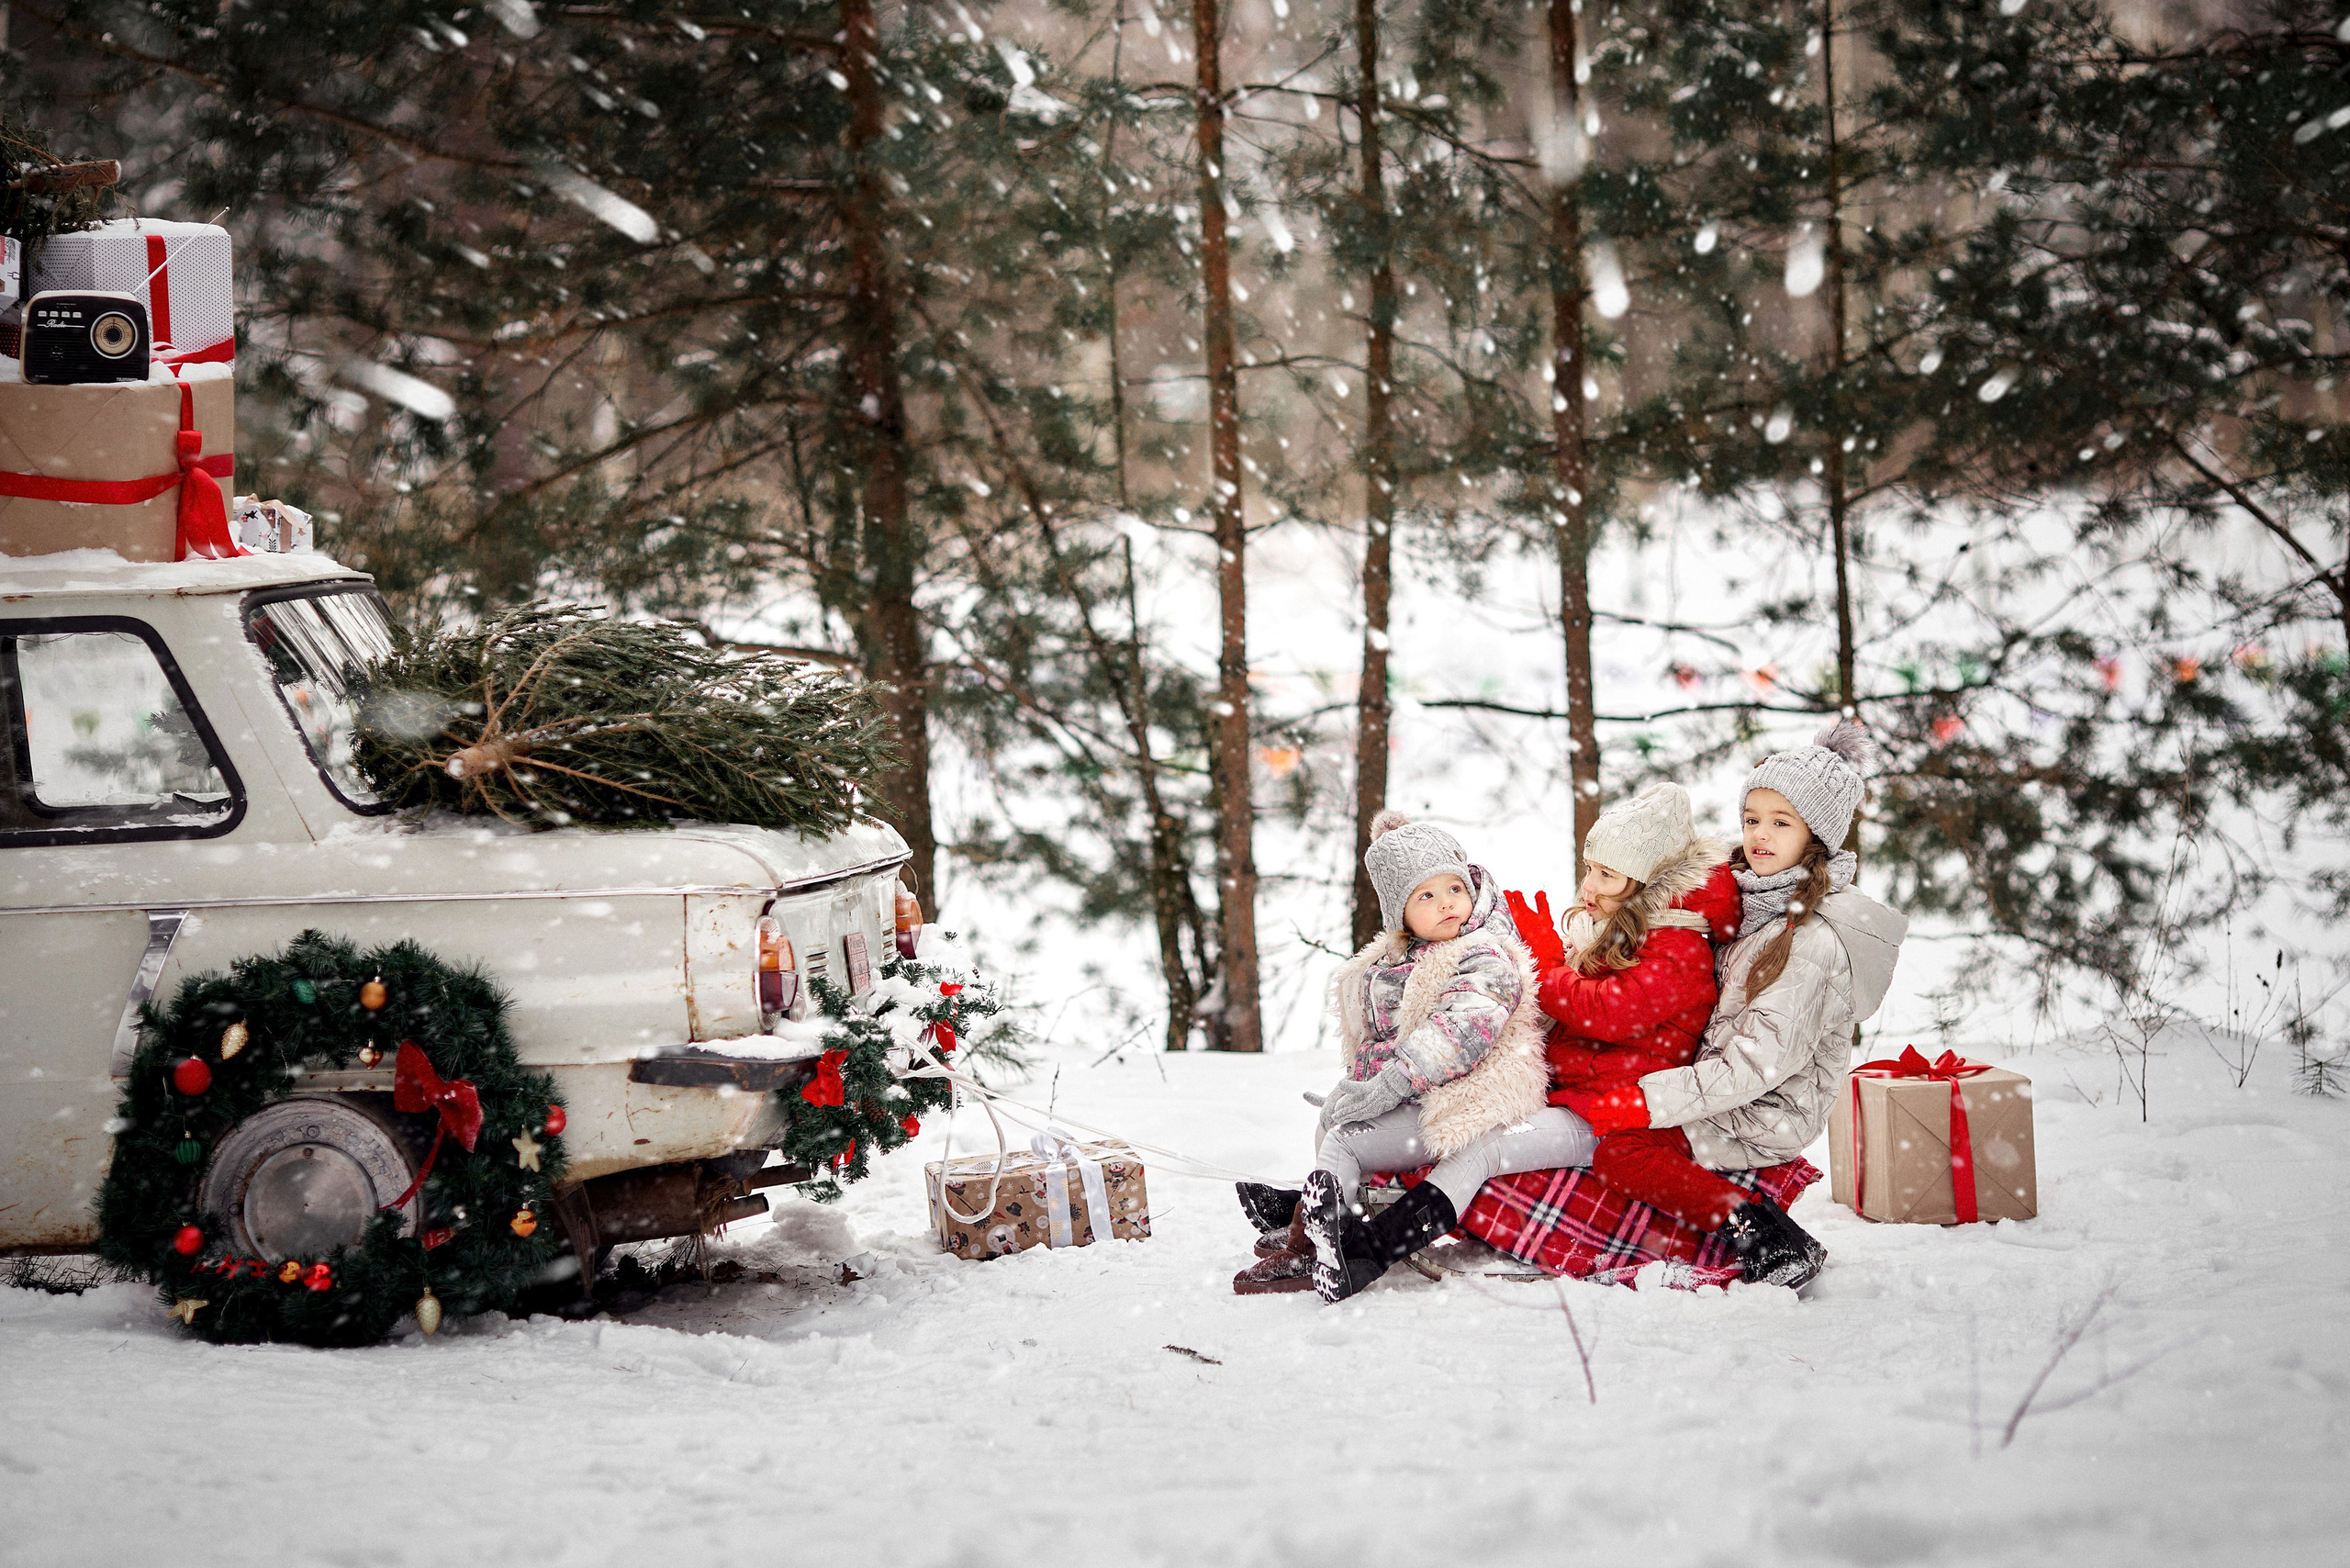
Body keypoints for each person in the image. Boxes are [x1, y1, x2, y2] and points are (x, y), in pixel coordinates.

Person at [1553, 719, 1908, 1290]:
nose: (1759, 835)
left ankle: (1766, 1234)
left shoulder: (1811, 941)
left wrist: (1646, 1101)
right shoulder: (1749, 904)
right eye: (1752, 819)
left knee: (1622, 1152)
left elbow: (1757, 1065)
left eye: (1781, 822)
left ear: (1816, 836)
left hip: (1768, 1106)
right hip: (1721, 1081)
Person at [1231, 811, 1593, 1301]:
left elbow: (1462, 1028)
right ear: (1399, 913)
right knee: (1331, 1127)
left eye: (1454, 889)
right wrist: (1358, 1084)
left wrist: (1389, 1086)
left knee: (1346, 1144)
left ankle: (1320, 1250)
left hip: (1477, 1098)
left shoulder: (1485, 954)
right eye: (1426, 895)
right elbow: (1388, 1042)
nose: (1447, 904)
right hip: (1428, 1087)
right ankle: (1324, 1226)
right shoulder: (1403, 960)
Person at [1511, 780, 1741, 1116]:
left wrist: (1545, 966)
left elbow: (1607, 1012)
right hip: (1579, 1090)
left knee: (1487, 1150)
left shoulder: (1679, 946)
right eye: (1589, 868)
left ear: (1644, 885)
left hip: (1616, 1106)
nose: (1588, 885)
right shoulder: (1612, 929)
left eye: (1606, 874)